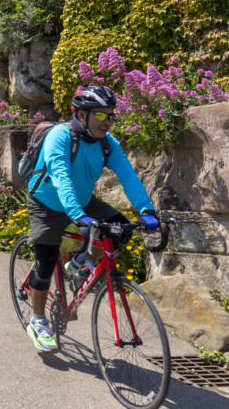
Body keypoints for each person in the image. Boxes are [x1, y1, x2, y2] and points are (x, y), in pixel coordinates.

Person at [24, 85, 159, 354]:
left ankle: (79, 261)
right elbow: (61, 178)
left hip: (83, 202)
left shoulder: (108, 143)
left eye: (111, 116)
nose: (107, 122)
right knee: (46, 262)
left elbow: (128, 177)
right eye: (100, 115)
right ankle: (37, 321)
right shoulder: (60, 136)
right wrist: (79, 217)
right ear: (81, 114)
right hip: (46, 203)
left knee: (120, 229)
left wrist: (146, 210)